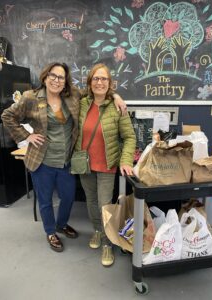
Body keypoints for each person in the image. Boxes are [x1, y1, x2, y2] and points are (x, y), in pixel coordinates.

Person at [1, 62, 126, 253]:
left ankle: (61, 224)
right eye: (53, 75)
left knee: (68, 197)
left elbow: (98, 89)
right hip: (42, 161)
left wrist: (116, 95)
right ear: (45, 76)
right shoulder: (31, 98)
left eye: (61, 77)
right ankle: (51, 232)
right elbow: (7, 116)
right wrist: (26, 136)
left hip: (66, 161)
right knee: (45, 200)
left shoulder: (72, 95)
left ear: (65, 81)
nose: (56, 80)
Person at [74, 63, 136, 267]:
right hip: (85, 164)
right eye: (95, 79)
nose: (99, 82)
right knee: (90, 202)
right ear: (90, 82)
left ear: (110, 83)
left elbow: (129, 137)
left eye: (104, 79)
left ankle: (108, 243)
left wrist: (126, 160)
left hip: (107, 166)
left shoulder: (118, 107)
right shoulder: (81, 103)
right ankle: (98, 231)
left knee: (104, 205)